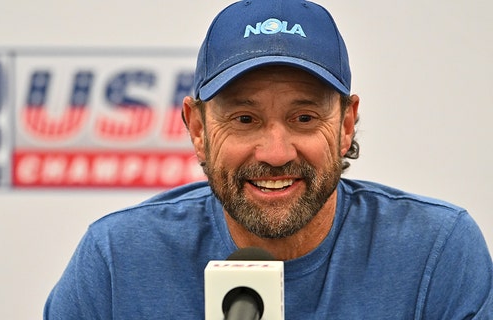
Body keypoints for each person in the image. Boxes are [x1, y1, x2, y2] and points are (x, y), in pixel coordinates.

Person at [44, 0, 493, 318]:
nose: (276, 153)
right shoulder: (117, 260)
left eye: (303, 117)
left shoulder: (437, 253)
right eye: (244, 118)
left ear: (346, 125)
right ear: (197, 128)